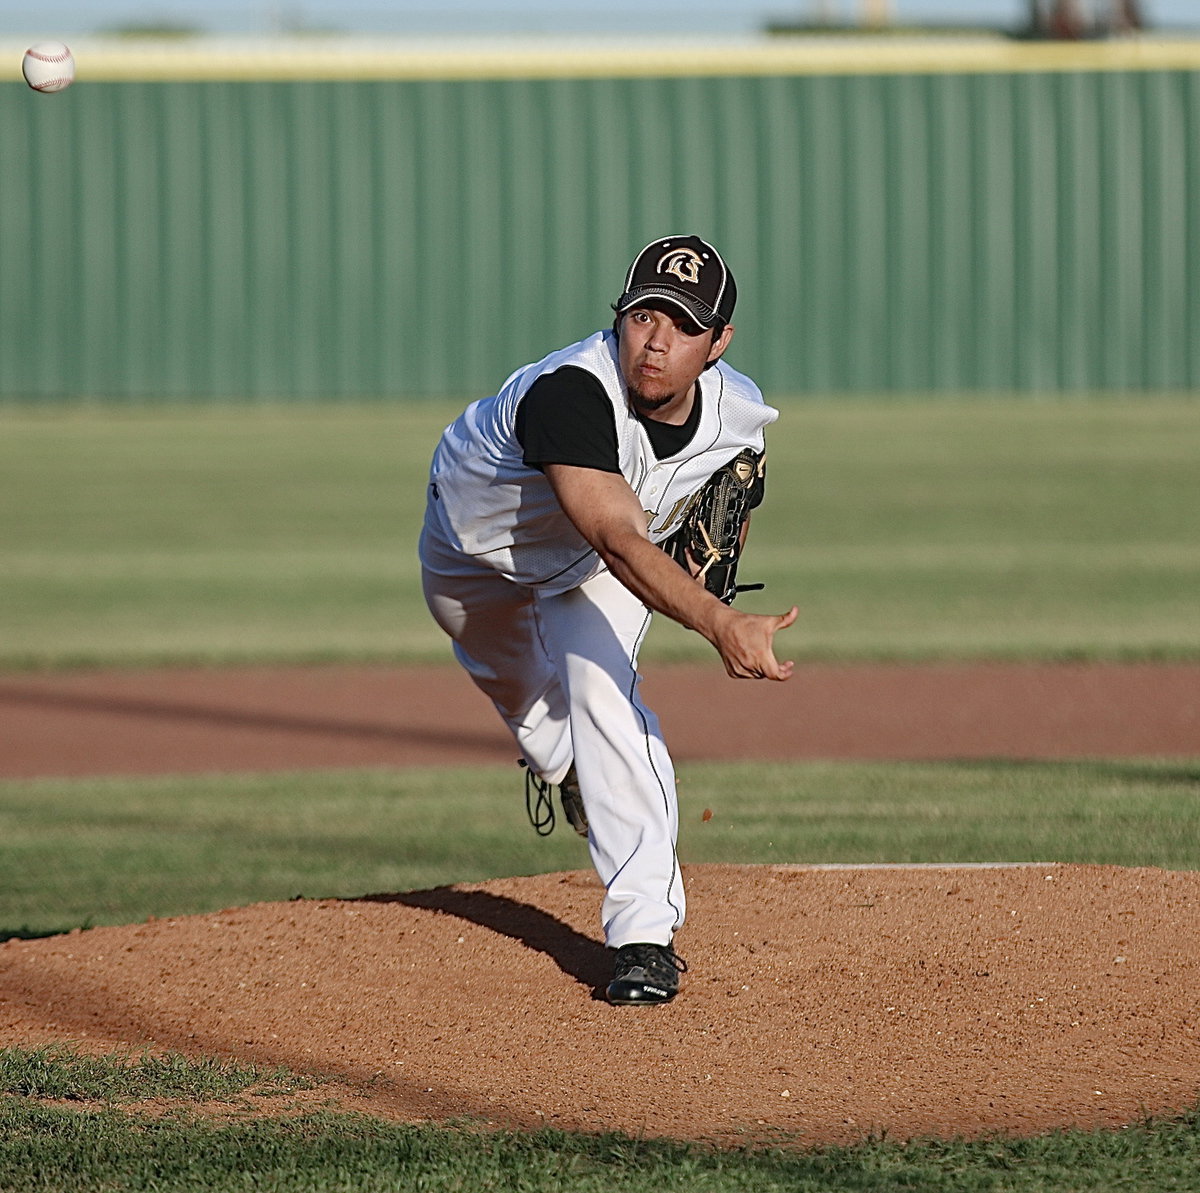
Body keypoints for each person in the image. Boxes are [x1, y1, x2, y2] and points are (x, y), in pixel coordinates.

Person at [418, 235, 797, 1005]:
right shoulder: (572, 393)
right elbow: (622, 539)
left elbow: (734, 473)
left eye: (684, 326)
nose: (657, 341)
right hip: (472, 555)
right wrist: (718, 621)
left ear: (719, 342)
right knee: (528, 705)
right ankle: (564, 769)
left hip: (589, 569)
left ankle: (643, 938)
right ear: (618, 317)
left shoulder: (738, 408)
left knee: (603, 695)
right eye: (643, 315)